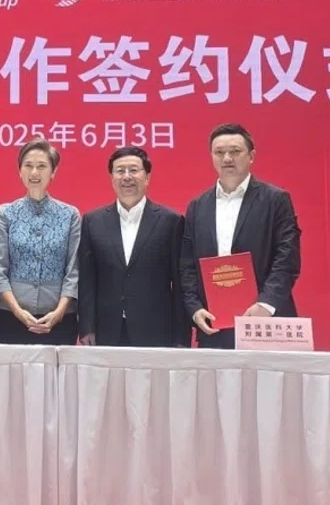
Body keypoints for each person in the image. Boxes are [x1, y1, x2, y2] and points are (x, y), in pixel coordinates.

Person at [180, 123, 301, 349]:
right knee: (217, 385)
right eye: (219, 152)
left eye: (235, 151)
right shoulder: (197, 206)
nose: (227, 158)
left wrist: (266, 304)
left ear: (251, 155)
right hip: (214, 325)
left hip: (266, 323)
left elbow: (287, 258)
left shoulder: (276, 200)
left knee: (269, 385)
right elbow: (187, 265)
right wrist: (195, 308)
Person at [78, 146, 190, 347]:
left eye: (133, 170)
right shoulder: (92, 221)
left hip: (156, 330)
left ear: (147, 177)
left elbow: (180, 283)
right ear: (112, 178)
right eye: (120, 171)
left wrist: (181, 337)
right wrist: (87, 327)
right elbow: (87, 280)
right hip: (106, 330)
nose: (126, 177)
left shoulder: (170, 221)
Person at [0, 138, 82, 345]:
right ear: (19, 171)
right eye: (28, 166)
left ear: (53, 172)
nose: (34, 173)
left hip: (59, 319)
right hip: (10, 317)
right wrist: (18, 311)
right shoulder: (6, 213)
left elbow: (73, 269)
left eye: (42, 166)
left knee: (56, 377)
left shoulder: (70, 215)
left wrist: (59, 312)